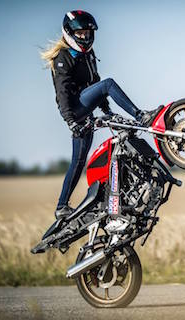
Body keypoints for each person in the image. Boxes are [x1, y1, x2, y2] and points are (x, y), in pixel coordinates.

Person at [41, 10, 162, 220]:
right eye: (80, 33)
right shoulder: (63, 57)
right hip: (75, 110)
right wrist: (70, 121)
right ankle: (140, 115)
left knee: (78, 162)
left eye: (88, 32)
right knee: (109, 84)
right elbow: (62, 94)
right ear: (69, 32)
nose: (86, 37)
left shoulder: (88, 54)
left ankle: (62, 207)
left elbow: (94, 84)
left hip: (84, 112)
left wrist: (107, 111)